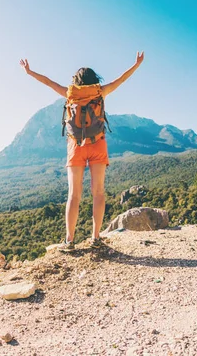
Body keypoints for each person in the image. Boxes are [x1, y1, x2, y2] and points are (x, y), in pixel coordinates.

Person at [19, 52, 144, 251]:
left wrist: (29, 72)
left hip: (75, 146)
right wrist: (136, 64)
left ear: (76, 81)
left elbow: (48, 82)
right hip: (98, 144)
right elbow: (121, 80)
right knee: (98, 192)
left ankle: (70, 241)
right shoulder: (100, 92)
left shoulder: (70, 93)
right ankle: (95, 238)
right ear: (94, 79)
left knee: (73, 195)